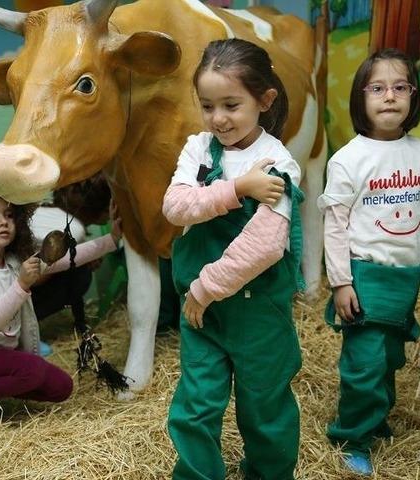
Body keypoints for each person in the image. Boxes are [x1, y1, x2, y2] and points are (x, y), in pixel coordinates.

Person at [163, 38, 306, 480]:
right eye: (207, 106)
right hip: (201, 311)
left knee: (264, 407)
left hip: (255, 311)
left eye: (231, 104)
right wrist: (237, 189)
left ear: (264, 100)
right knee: (195, 404)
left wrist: (206, 289)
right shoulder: (199, 148)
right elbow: (175, 206)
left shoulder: (278, 162)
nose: (218, 118)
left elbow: (264, 245)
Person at [318, 48, 420, 476]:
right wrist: (340, 282)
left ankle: (376, 417)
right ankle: (352, 436)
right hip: (365, 279)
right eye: (378, 88)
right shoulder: (349, 159)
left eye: (400, 87)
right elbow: (334, 226)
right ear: (360, 97)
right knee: (364, 362)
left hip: (404, 279)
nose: (390, 96)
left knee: (388, 357)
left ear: (412, 95)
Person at [0, 175, 121, 432]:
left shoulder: (13, 261)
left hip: (0, 356)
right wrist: (21, 285)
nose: (3, 222)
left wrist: (111, 240)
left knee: (61, 387)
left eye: (9, 215)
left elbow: (66, 260)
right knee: (32, 371)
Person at [30, 174, 113, 357]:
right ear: (100, 208)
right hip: (17, 292)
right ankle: (24, 329)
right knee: (81, 274)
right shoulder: (74, 228)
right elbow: (42, 272)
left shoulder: (41, 208)